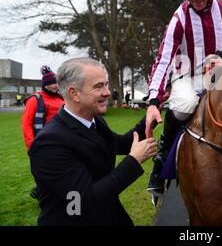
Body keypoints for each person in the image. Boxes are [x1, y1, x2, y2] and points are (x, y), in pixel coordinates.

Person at [145, 0, 222, 197]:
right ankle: (162, 158)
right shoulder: (180, 17)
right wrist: (153, 101)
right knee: (185, 105)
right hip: (187, 78)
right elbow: (164, 57)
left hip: (220, 76)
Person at [29, 58, 157, 225]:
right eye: (98, 86)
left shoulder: (94, 121)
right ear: (74, 93)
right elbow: (84, 200)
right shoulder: (49, 143)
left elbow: (124, 143)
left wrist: (151, 115)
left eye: (106, 84)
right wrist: (133, 161)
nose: (108, 92)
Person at [22, 65, 65, 199]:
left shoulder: (61, 99)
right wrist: (31, 145)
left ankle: (51, 192)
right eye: (52, 83)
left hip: (62, 141)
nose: (55, 86)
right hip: (42, 142)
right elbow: (26, 123)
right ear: (45, 84)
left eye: (56, 82)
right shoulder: (35, 99)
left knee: (61, 170)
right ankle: (42, 192)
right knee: (43, 171)